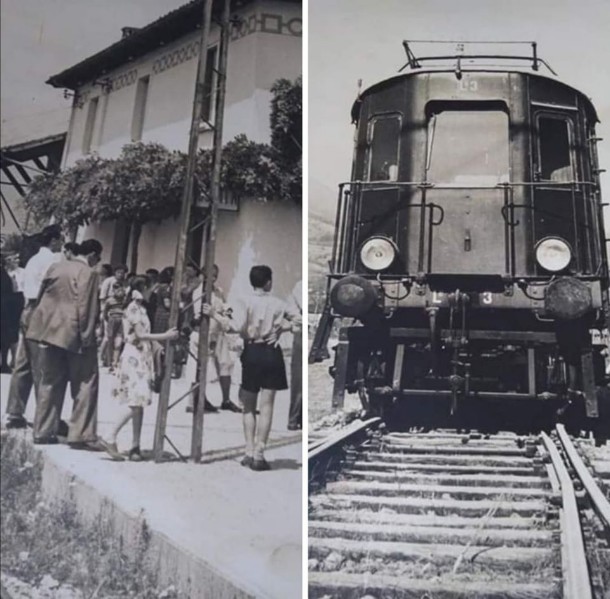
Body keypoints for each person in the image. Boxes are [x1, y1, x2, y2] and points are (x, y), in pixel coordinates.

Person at [203, 265, 295, 471]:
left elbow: (233, 326)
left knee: (248, 405)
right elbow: (299, 320)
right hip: (272, 352)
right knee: (267, 405)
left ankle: (248, 451)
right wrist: (281, 329)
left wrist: (214, 315)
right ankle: (260, 453)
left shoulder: (242, 301)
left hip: (251, 352)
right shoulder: (279, 303)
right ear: (269, 282)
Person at [26, 239, 103, 448]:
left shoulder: (55, 267)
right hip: (74, 333)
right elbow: (86, 307)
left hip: (49, 331)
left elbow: (41, 297)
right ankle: (80, 434)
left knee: (50, 382)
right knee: (86, 382)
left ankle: (42, 431)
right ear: (93, 255)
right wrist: (87, 338)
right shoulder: (88, 273)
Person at [100, 277, 178, 461]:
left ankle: (135, 445)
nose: (152, 291)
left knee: (139, 403)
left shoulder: (141, 309)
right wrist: (166, 336)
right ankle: (109, 434)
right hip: (135, 357)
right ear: (141, 289)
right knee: (136, 401)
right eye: (150, 288)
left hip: (142, 357)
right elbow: (141, 334)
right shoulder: (134, 309)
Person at [4, 225, 63, 429]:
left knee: (23, 363)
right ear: (54, 240)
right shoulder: (53, 261)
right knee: (44, 365)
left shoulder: (32, 260)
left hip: (27, 309)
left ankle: (14, 411)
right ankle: (45, 417)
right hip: (41, 310)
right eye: (60, 239)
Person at [187, 264, 241, 413]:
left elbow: (225, 306)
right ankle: (197, 400)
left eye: (216, 275)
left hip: (218, 332)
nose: (214, 278)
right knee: (199, 366)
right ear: (204, 275)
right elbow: (198, 315)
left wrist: (226, 312)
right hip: (203, 334)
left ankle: (226, 399)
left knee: (226, 364)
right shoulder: (198, 293)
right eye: (211, 275)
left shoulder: (218, 291)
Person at [0, 252, 25, 373]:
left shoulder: (19, 273)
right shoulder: (5, 274)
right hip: (8, 307)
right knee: (6, 337)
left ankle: (8, 361)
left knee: (7, 337)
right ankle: (4, 362)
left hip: (8, 308)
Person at [286, 280, 303, 430]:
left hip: (303, 330)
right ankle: (293, 418)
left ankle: (300, 418)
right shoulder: (300, 285)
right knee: (298, 379)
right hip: (301, 333)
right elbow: (293, 311)